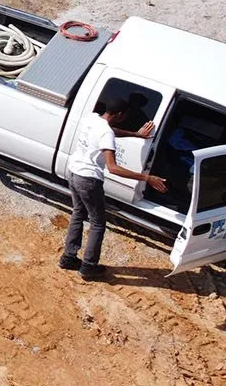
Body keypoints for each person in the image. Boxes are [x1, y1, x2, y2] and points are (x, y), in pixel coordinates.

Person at [61, 94, 166, 280]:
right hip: (88, 179)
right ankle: (88, 266)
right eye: (125, 115)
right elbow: (113, 168)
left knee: (78, 212)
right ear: (119, 114)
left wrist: (136, 134)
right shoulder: (106, 133)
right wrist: (146, 178)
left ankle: (68, 257)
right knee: (98, 222)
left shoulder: (93, 119)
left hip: (74, 171)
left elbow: (110, 130)